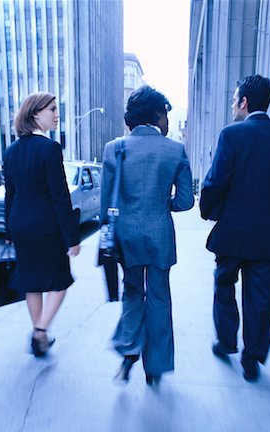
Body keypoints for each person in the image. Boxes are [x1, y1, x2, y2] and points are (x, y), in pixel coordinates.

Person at [101, 85, 194, 385]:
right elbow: (185, 201)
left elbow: (106, 205)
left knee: (132, 291)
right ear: (157, 114)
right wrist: (160, 203)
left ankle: (129, 349)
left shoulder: (114, 149)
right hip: (159, 236)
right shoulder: (175, 150)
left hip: (126, 237)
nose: (168, 122)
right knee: (159, 297)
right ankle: (155, 366)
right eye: (166, 115)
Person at [200, 75, 270, 381]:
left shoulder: (232, 135)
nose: (232, 105)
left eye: (234, 99)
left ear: (244, 102)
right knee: (261, 299)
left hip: (233, 234)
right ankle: (252, 359)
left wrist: (208, 211)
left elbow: (215, 181)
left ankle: (227, 341)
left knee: (224, 285)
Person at [4, 92, 81, 357]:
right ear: (36, 114)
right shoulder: (50, 149)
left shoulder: (11, 151)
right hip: (46, 228)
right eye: (52, 109)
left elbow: (10, 195)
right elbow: (60, 196)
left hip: (21, 227)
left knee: (32, 283)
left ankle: (40, 334)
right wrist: (72, 238)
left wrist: (8, 230)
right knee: (60, 282)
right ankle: (40, 330)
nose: (56, 114)